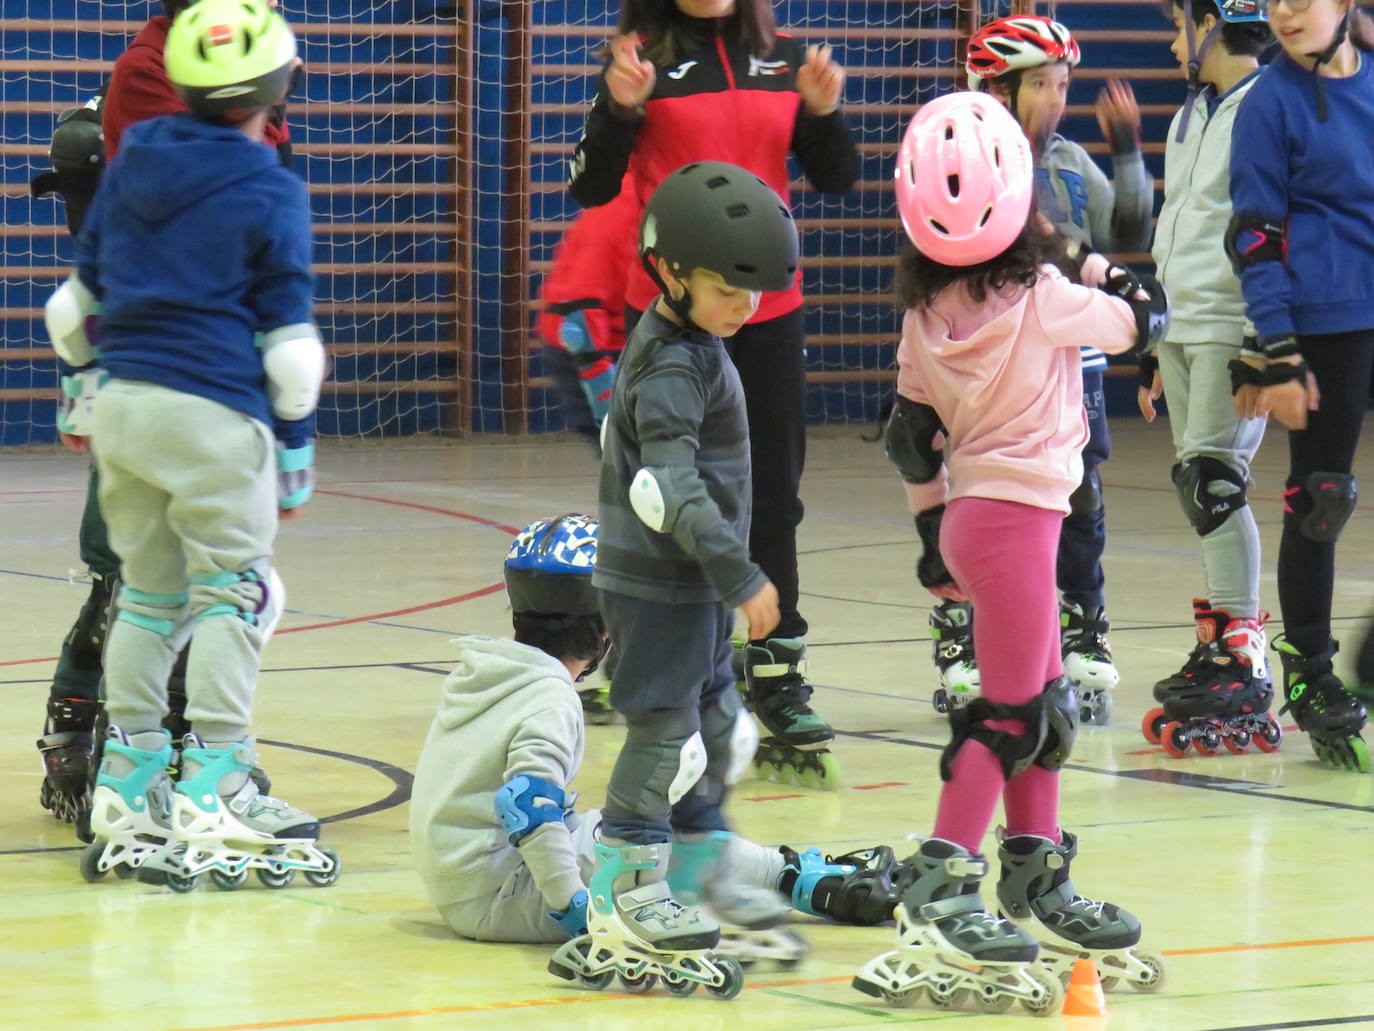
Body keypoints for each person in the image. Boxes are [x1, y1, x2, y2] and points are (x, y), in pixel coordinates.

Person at [856, 93, 1167, 1013]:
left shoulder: (924, 313)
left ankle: (1033, 870)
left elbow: (911, 434)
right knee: (1007, 714)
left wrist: (927, 537)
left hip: (972, 519)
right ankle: (940, 877)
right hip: (1025, 524)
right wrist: (1102, 263)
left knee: (1044, 706)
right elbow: (1140, 320)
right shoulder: (1047, 299)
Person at [47, 0, 336, 890]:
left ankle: (127, 786)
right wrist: (294, 448)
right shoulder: (267, 185)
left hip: (125, 409)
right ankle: (216, 777)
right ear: (277, 85)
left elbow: (71, 310)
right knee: (233, 595)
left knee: (145, 598)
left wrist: (80, 397)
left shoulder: (132, 159)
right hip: (214, 411)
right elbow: (290, 355)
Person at [567, 0, 859, 786]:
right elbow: (592, 187)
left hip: (764, 313)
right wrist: (619, 107)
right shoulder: (639, 59)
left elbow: (837, 176)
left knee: (772, 497)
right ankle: (635, 643)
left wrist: (825, 114)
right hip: (670, 313)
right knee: (656, 491)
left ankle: (778, 671)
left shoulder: (783, 59)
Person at [548, 162, 802, 998]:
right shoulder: (668, 366)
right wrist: (740, 575)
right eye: (729, 288)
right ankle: (624, 884)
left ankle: (698, 863)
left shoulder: (699, 342)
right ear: (668, 272)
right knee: (667, 735)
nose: (746, 307)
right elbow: (667, 488)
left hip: (690, 582)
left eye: (755, 291)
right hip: (661, 584)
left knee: (720, 729)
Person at [412, 513, 864, 954]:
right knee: (655, 843)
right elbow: (528, 807)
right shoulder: (550, 698)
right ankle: (793, 879)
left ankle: (791, 872)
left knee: (627, 830)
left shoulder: (488, 670)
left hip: (466, 881)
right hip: (501, 896)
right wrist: (574, 906)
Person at [927, 15, 1153, 723]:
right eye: (1040, 86)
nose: (1056, 99)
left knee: (1080, 496)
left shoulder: (1064, 159)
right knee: (975, 495)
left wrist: (1124, 152)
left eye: (1062, 85)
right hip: (985, 364)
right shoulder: (958, 159)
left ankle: (1084, 622)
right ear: (994, 88)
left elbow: (1127, 231)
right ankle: (960, 626)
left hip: (1068, 358)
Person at [1226, 0, 1374, 772]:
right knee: (1322, 496)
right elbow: (1254, 233)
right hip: (1324, 322)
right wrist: (1277, 350)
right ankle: (1311, 669)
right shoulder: (1269, 102)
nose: (1282, 11)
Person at [1138, 0, 1281, 759]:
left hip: (1232, 320)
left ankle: (1244, 648)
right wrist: (1151, 329)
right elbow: (1176, 221)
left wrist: (1266, 338)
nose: (1171, 40)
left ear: (1217, 22)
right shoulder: (1192, 111)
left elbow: (1272, 224)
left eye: (1178, 24)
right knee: (1198, 484)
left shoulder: (1267, 105)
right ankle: (1220, 637)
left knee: (1215, 480)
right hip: (1182, 320)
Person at [536, 177, 638, 447]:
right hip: (590, 343)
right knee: (630, 461)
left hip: (627, 341)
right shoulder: (620, 208)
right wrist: (598, 376)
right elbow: (580, 303)